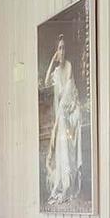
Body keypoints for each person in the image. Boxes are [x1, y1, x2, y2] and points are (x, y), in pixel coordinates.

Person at [41, 35, 83, 204]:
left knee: (67, 121)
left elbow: (69, 92)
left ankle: (69, 182)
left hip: (68, 110)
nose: (62, 51)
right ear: (56, 52)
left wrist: (67, 111)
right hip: (61, 114)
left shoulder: (69, 67)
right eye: (59, 48)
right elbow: (45, 82)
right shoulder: (57, 71)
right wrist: (52, 61)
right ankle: (63, 182)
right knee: (62, 126)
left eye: (64, 47)